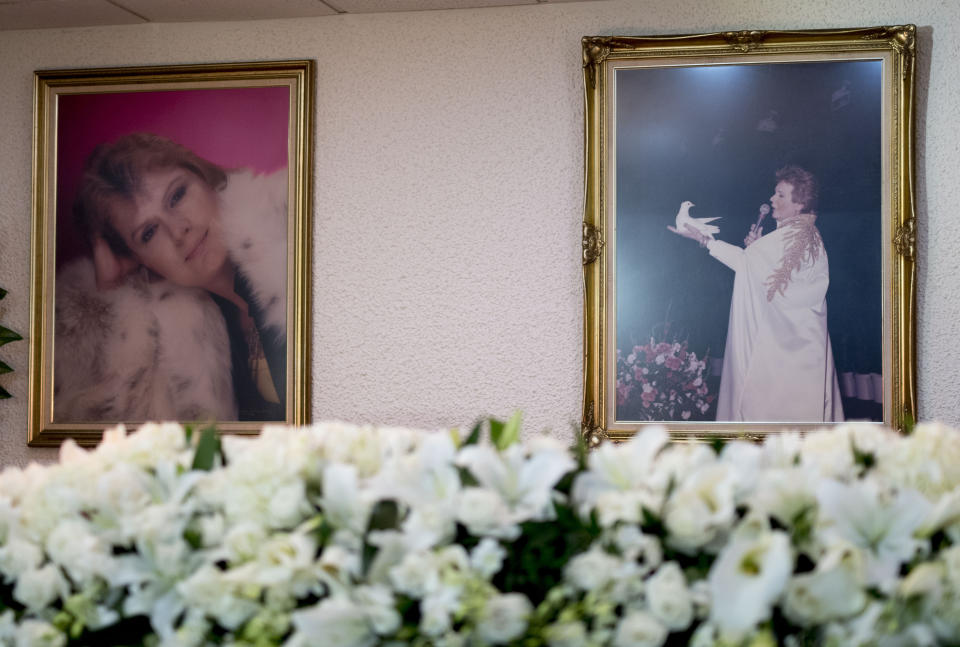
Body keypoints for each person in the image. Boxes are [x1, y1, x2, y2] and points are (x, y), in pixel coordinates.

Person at [54, 133, 288, 423]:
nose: (178, 232)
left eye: (177, 196)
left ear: (208, 179)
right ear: (141, 261)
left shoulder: (294, 228)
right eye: (149, 233)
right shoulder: (184, 335)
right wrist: (111, 289)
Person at [670, 166, 843, 422]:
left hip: (782, 349)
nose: (772, 199)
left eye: (781, 195)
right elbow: (769, 275)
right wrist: (756, 251)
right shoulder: (809, 234)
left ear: (800, 204)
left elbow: (750, 265)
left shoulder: (790, 236)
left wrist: (707, 240)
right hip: (804, 346)